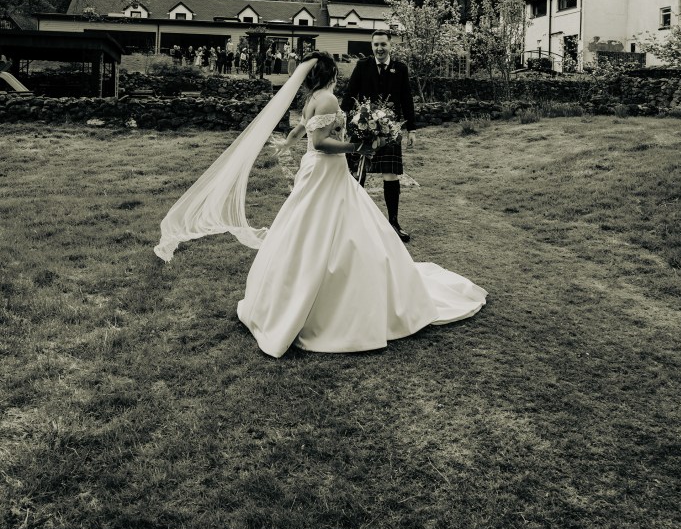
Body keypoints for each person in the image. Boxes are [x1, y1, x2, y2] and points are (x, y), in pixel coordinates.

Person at [153, 51, 486, 358]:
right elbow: (322, 142)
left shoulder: (312, 98)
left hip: (319, 170)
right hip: (326, 169)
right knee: (327, 224)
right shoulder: (327, 98)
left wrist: (287, 143)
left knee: (309, 225)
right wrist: (357, 147)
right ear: (331, 74)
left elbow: (302, 127)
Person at [341, 29, 415, 242]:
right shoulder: (362, 66)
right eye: (376, 45)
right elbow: (350, 94)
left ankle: (393, 223)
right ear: (372, 46)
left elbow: (407, 98)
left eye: (383, 44)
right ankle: (353, 224)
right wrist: (343, 122)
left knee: (391, 174)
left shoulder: (400, 68)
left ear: (390, 45)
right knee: (357, 174)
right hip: (362, 127)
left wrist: (412, 129)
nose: (380, 48)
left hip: (390, 130)